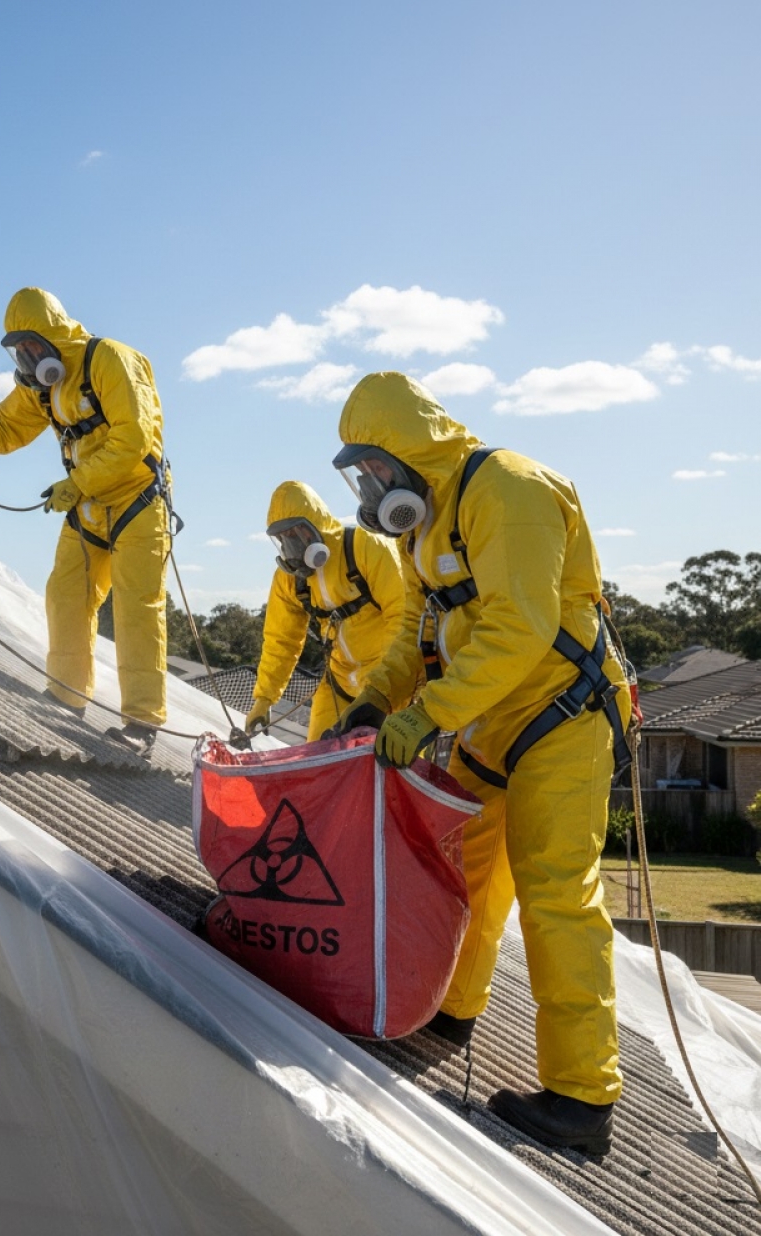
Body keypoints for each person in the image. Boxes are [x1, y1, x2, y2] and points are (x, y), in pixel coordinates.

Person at [331, 370, 632, 1156]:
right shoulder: (422, 526)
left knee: (555, 893)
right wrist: (378, 699)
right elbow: (419, 635)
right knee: (457, 874)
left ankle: (581, 1098)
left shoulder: (509, 490)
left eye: (372, 467)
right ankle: (451, 1009)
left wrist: (430, 713)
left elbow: (522, 627)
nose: (367, 487)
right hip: (491, 721)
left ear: (407, 454)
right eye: (359, 473)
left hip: (562, 718)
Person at [0, 288, 171, 755]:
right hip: (88, 505)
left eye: (32, 347)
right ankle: (65, 698)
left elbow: (135, 438)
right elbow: (3, 427)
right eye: (19, 351)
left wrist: (78, 482)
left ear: (52, 338)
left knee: (137, 609)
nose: (27, 359)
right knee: (65, 595)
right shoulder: (42, 386)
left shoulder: (110, 359)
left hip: (138, 503)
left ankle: (141, 724)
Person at [245, 481, 405, 742]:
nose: (290, 544)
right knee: (319, 765)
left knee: (393, 769)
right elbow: (280, 640)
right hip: (338, 686)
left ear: (315, 526)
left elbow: (404, 619)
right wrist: (264, 699)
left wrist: (381, 690)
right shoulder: (290, 579)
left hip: (392, 688)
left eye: (296, 533)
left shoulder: (366, 548)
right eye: (282, 537)